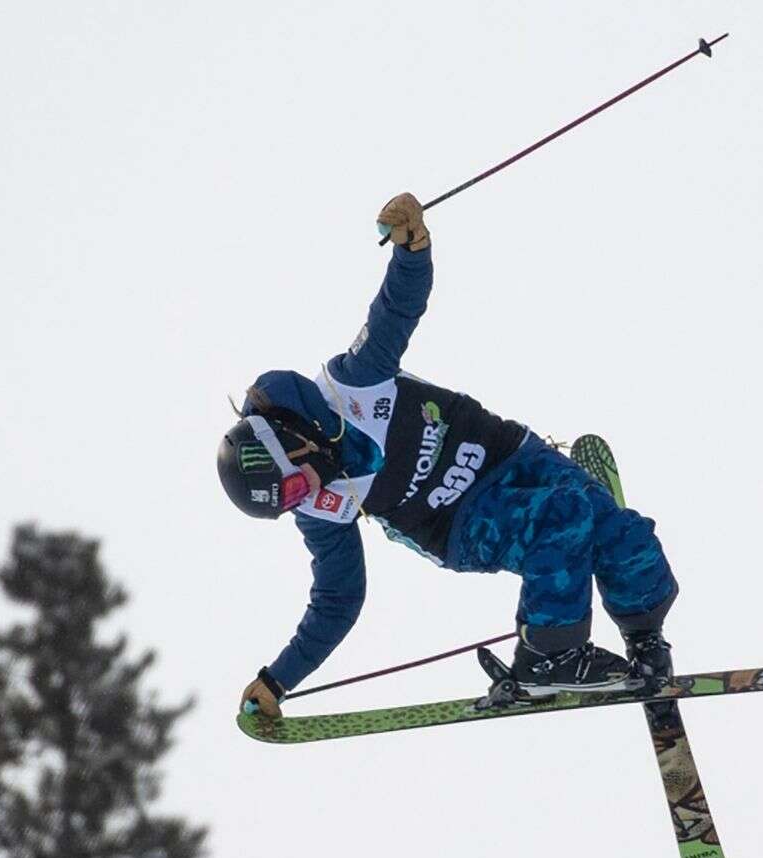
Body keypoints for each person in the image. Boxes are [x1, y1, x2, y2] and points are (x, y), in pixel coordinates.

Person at [218, 193, 678, 719]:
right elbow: (338, 599)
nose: (308, 496)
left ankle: (645, 637)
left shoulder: (355, 386)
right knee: (562, 517)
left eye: (295, 485)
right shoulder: (325, 511)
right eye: (292, 503)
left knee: (611, 524)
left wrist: (412, 248)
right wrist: (278, 679)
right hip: (457, 520)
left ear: (290, 437)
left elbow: (397, 308)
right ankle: (550, 656)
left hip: (508, 454)